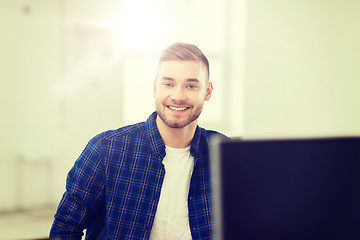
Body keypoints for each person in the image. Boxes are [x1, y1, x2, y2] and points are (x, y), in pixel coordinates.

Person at [50, 42, 228, 239]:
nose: (178, 96)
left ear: (208, 91)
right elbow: (65, 227)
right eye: (168, 84)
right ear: (155, 87)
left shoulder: (227, 155)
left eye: (191, 85)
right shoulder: (106, 149)